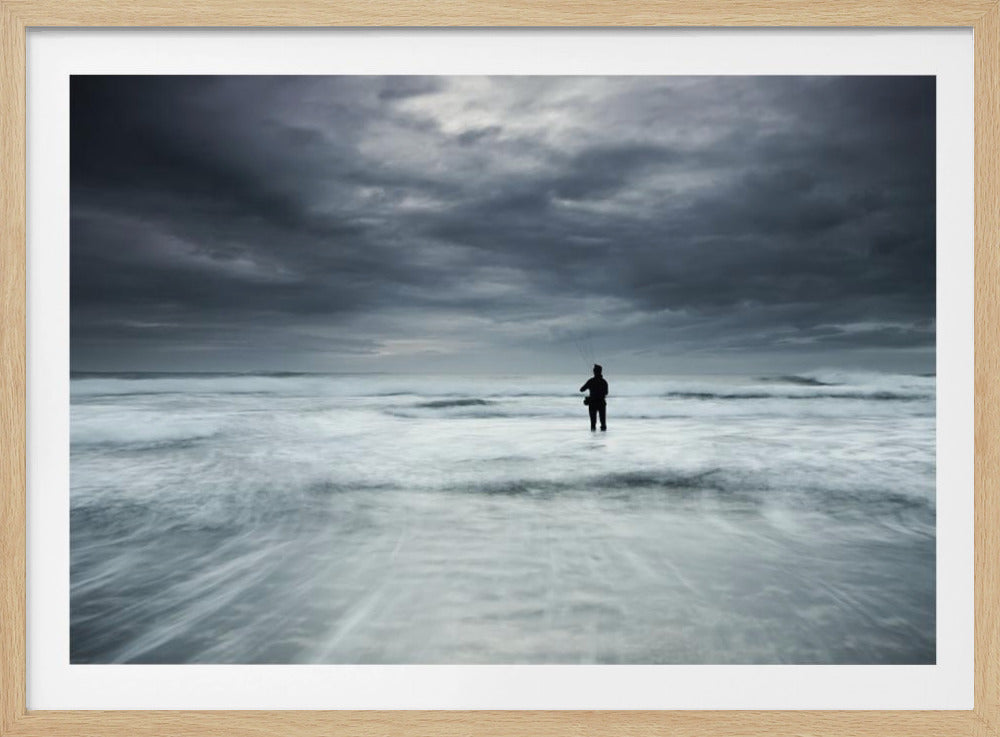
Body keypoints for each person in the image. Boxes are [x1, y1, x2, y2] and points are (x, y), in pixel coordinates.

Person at [579, 364, 609, 431]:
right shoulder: (604, 382)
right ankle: (603, 438)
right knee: (603, 423)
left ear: (594, 372)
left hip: (593, 403)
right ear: (600, 372)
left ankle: (593, 438)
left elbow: (581, 389)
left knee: (593, 423)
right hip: (601, 403)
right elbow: (606, 392)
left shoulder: (591, 381)